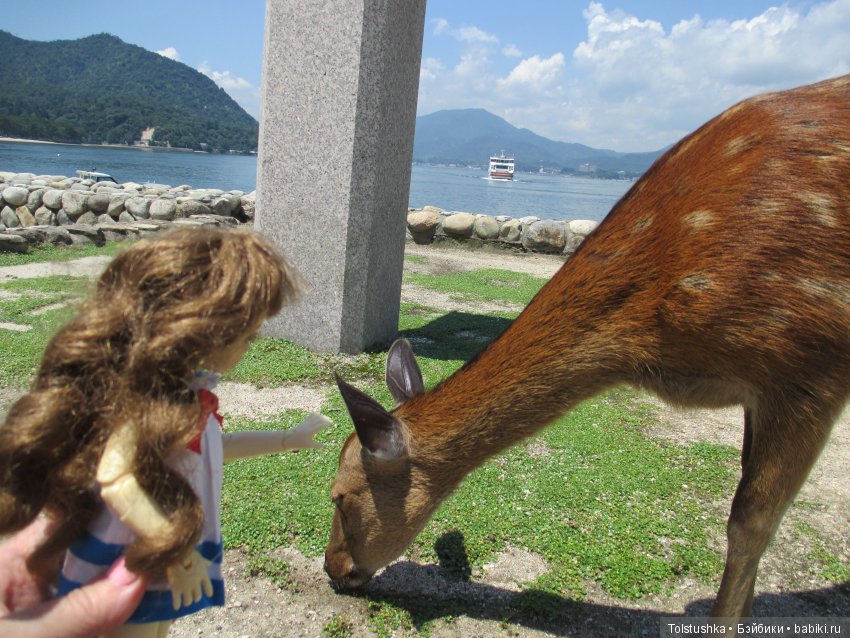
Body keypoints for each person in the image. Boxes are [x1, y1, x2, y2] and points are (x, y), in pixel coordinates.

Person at [0, 228, 330, 637]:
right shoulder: (144, 407)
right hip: (133, 551)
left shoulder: (192, 400)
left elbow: (215, 449)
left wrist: (285, 438)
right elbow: (116, 479)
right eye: (247, 334)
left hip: (174, 548)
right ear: (198, 330)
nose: (251, 344)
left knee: (160, 628)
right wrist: (172, 548)